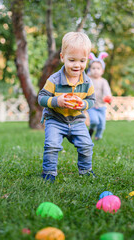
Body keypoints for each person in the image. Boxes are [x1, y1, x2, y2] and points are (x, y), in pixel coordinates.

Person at [38, 32, 96, 182]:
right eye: (72, 60)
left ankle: (86, 170)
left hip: (77, 120)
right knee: (51, 146)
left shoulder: (87, 82)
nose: (77, 65)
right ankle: (49, 173)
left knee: (87, 145)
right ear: (62, 57)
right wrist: (56, 101)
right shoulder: (54, 79)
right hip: (55, 119)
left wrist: (83, 104)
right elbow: (41, 98)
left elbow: (92, 100)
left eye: (82, 61)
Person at [87, 52, 112, 140]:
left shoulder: (103, 81)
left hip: (102, 106)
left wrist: (107, 97)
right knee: (94, 121)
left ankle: (98, 136)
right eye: (93, 68)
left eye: (98, 68)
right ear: (90, 69)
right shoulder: (88, 80)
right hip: (92, 106)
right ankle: (91, 130)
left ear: (102, 71)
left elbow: (107, 91)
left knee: (101, 125)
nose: (95, 70)